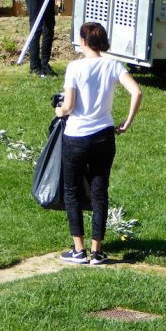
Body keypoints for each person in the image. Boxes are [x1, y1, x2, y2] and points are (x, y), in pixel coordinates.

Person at [55, 22, 142, 265]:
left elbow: (69, 106)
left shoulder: (74, 67)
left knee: (72, 191)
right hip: (104, 135)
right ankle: (97, 251)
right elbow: (137, 92)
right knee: (99, 190)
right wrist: (127, 121)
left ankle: (78, 250)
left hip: (76, 136)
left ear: (83, 41)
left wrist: (59, 110)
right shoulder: (113, 65)